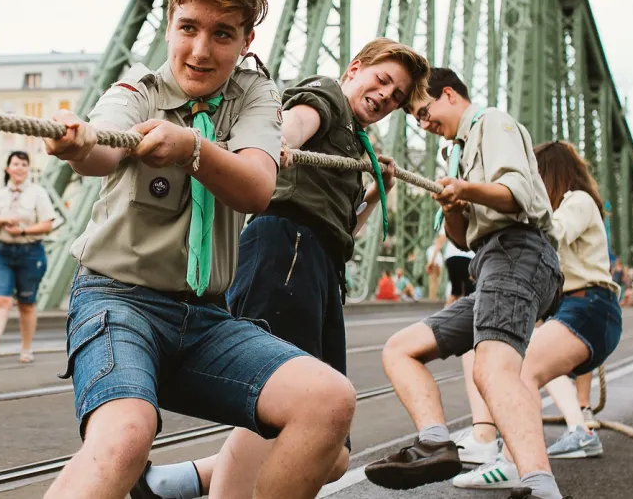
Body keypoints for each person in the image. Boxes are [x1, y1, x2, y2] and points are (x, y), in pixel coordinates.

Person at [41, 0, 355, 499]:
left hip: (208, 318)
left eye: (222, 34)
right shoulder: (137, 91)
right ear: (169, 26)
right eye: (188, 28)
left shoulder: (257, 98)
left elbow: (257, 186)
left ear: (246, 40)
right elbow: (99, 147)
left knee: (329, 402)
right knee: (124, 438)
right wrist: (77, 144)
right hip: (117, 302)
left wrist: (193, 148)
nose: (201, 50)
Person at [135, 36, 428, 499]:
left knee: (333, 450)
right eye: (383, 80)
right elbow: (294, 121)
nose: (386, 97)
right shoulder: (329, 94)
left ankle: (177, 482)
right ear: (354, 69)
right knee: (284, 406)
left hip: (318, 265)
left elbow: (342, 229)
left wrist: (374, 190)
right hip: (285, 252)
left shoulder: (354, 140)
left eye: (395, 97)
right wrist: (279, 143)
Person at [368, 68, 565, 499]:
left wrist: (466, 189)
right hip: (490, 264)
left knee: (491, 368)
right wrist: (453, 204)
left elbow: (518, 195)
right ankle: (437, 442)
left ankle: (538, 482)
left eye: (424, 112)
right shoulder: (452, 154)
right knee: (401, 349)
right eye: (417, 121)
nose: (423, 124)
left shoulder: (492, 122)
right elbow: (459, 238)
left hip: (520, 251)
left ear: (450, 95)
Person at [449, 142, 624, 486]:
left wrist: (509, 214)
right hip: (576, 308)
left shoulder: (579, 200)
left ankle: (512, 463)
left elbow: (553, 234)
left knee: (519, 371)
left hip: (589, 306)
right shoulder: (576, 201)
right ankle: (569, 432)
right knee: (512, 360)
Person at [0, 151, 56, 364]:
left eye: (24, 164)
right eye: (15, 163)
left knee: (26, 303)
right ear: (8, 168)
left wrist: (23, 231)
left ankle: (26, 348)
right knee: (0, 300)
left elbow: (48, 224)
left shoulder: (37, 193)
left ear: (28, 169)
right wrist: (1, 220)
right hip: (3, 252)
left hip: (30, 253)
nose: (20, 167)